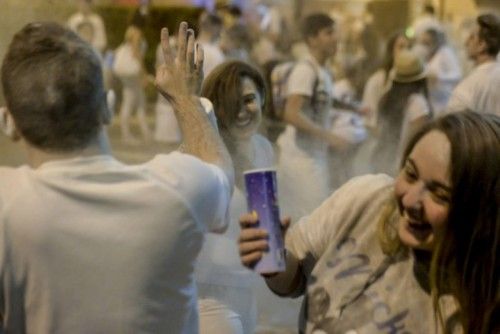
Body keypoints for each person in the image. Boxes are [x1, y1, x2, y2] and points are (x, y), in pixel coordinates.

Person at [0, 21, 234, 333]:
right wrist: (185, 99)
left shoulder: (7, 205)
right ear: (109, 108)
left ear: (8, 123)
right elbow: (219, 170)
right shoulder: (177, 189)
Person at [238, 111, 499, 333]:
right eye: (410, 173)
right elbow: (295, 281)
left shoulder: (475, 312)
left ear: (482, 212)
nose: (410, 201)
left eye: (439, 194)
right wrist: (275, 262)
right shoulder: (366, 199)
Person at [196, 60, 274, 334]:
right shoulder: (201, 153)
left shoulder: (263, 148)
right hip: (209, 298)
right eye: (232, 103)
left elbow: (265, 225)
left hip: (247, 292)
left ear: (263, 98)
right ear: (216, 109)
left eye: (250, 99)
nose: (242, 110)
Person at [277, 13, 349, 222]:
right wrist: (329, 137)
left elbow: (322, 100)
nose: (336, 38)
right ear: (312, 39)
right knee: (313, 220)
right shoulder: (305, 70)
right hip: (301, 161)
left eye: (335, 32)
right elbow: (291, 113)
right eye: (329, 33)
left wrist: (354, 108)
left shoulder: (323, 70)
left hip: (313, 156)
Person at [371, 50, 432, 176]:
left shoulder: (387, 98)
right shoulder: (418, 104)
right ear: (420, 79)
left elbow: (380, 132)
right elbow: (414, 144)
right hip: (402, 168)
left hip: (383, 163)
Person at [447, 13, 500, 116]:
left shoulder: (467, 88)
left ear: (481, 45)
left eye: (471, 37)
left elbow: (454, 128)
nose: (466, 42)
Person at [362, 31, 409, 129]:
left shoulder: (413, 81)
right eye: (401, 47)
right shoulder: (378, 80)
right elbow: (368, 117)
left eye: (408, 48)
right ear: (391, 51)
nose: (406, 52)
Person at [113, 25, 151, 144]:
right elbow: (139, 63)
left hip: (128, 79)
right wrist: (144, 77)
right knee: (130, 105)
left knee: (138, 103)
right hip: (132, 79)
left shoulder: (123, 48)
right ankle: (127, 135)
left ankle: (144, 132)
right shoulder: (135, 47)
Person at [416, 28, 462, 115]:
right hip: (428, 102)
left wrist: (439, 77)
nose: (424, 45)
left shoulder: (445, 52)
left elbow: (457, 75)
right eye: (422, 42)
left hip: (444, 101)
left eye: (427, 42)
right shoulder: (423, 56)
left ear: (434, 40)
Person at [196, 11, 226, 76]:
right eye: (220, 28)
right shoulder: (216, 53)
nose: (220, 32)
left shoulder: (187, 48)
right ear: (215, 27)